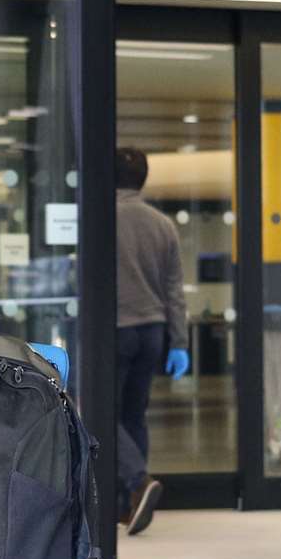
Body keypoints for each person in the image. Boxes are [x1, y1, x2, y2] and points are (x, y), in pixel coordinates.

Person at [115, 147, 189, 536]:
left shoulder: (98, 217)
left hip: (115, 329)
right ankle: (132, 503)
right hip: (153, 331)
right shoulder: (162, 224)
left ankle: (138, 481)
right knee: (133, 415)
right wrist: (180, 341)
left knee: (99, 412)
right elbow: (174, 290)